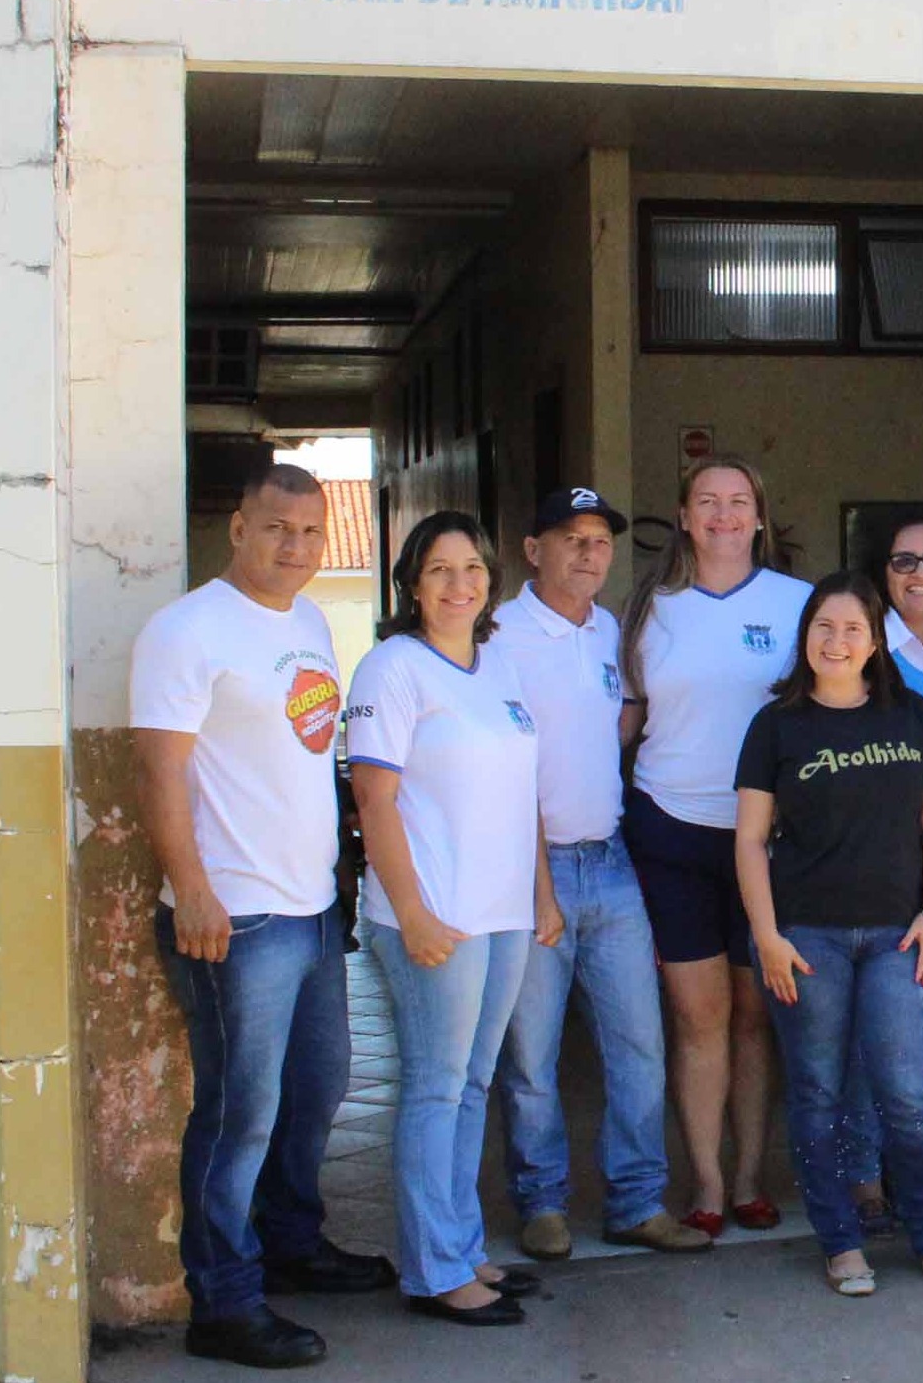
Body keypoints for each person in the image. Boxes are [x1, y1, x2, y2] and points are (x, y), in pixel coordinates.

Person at [132, 462, 394, 1370]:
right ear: (238, 528)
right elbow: (159, 771)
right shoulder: (186, 630)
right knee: (239, 1112)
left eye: (312, 531)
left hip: (312, 907)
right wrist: (192, 888)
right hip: (235, 917)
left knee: (318, 1088)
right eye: (278, 528)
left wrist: (339, 879)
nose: (297, 546)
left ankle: (291, 1242)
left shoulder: (311, 622)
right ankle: (225, 1301)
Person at [343, 512, 563, 1326]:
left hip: (502, 912)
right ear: (411, 582)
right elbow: (374, 799)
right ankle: (434, 1270)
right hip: (435, 914)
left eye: (471, 567)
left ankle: (462, 1248)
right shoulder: (392, 667)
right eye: (439, 569)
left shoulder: (497, 663)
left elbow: (522, 790)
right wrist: (411, 912)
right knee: (436, 1087)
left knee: (472, 1083)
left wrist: (541, 895)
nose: (458, 584)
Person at [486, 488, 713, 1262]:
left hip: (609, 861)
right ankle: (542, 1203)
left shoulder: (609, 631)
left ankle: (637, 1202)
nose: (589, 553)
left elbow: (619, 722)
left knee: (638, 1044)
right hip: (533, 865)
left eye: (600, 541)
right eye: (571, 538)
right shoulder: (499, 635)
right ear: (532, 550)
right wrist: (535, 881)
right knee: (531, 1055)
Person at [736, 575, 923, 1296]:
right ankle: (841, 1243)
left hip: (898, 934)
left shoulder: (909, 714)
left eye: (852, 629)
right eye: (823, 626)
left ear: (875, 642)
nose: (836, 641)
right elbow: (749, 840)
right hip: (809, 937)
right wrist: (767, 936)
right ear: (804, 635)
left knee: (905, 1092)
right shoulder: (776, 726)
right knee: (816, 1091)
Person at [618, 455, 810, 1236]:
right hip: (672, 834)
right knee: (698, 1021)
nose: (724, 515)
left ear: (759, 516)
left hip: (769, 843)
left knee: (755, 1018)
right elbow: (626, 719)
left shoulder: (798, 604)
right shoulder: (649, 609)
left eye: (738, 501)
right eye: (707, 501)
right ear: (684, 516)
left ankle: (749, 1178)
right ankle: (703, 1183)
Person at [833, 519, 923, 1235]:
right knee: (882, 1036)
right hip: (894, 870)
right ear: (881, 571)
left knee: (915, 1029)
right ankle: (861, 1176)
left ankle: (899, 1173)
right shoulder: (871, 652)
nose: (921, 573)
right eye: (904, 561)